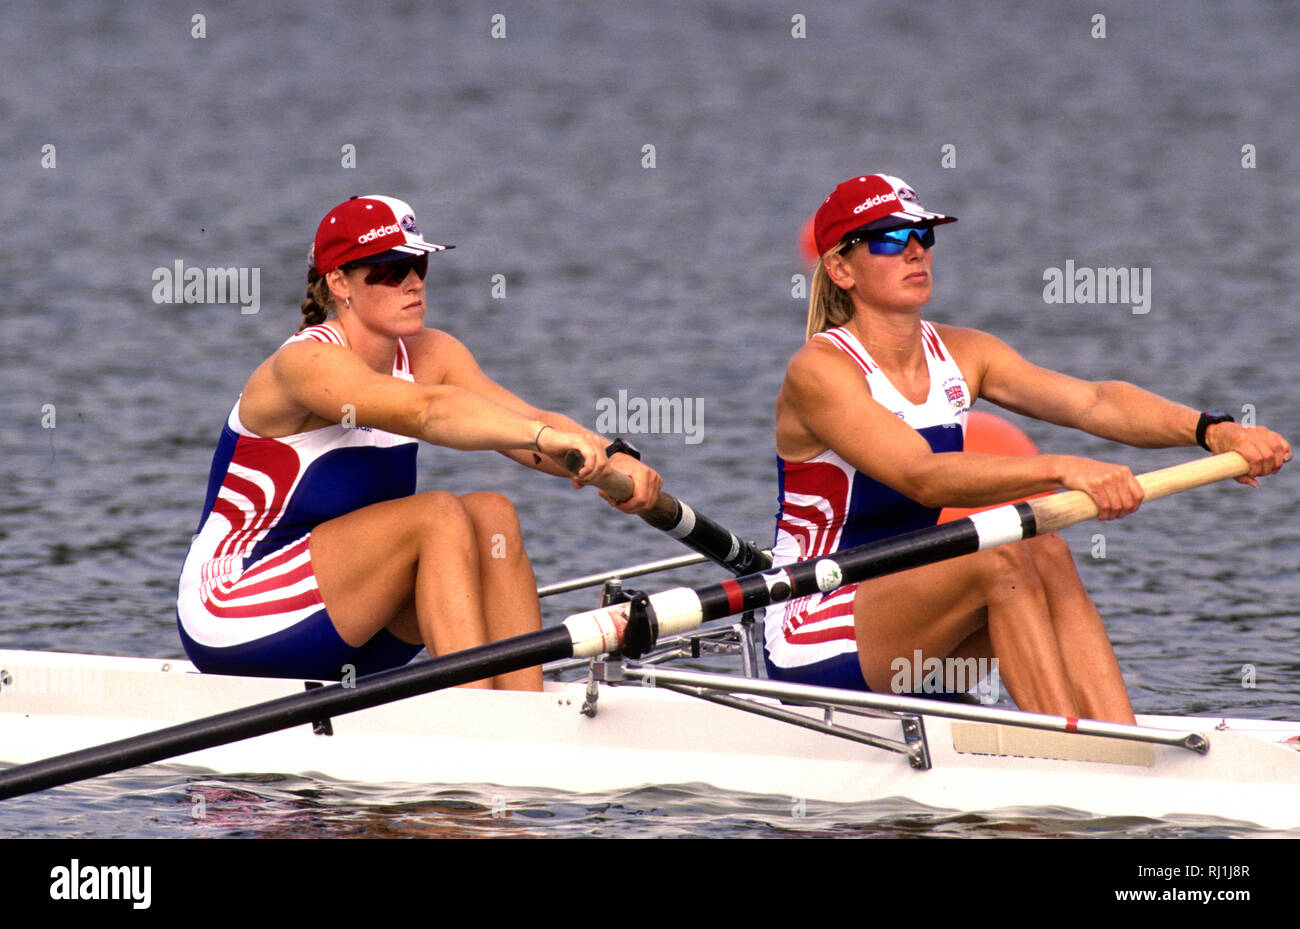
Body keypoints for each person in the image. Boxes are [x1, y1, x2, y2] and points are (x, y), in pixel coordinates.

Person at [766, 173, 1291, 723]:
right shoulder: (820, 372)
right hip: (816, 624)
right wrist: (1064, 470)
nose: (915, 251)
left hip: (911, 626)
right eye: (890, 239)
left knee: (1046, 548)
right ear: (841, 267)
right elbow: (922, 475)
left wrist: (1213, 430)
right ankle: (1067, 752)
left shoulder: (964, 352)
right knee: (999, 554)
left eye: (924, 237)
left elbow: (1093, 401)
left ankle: (1116, 736)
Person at [177, 194, 661, 690]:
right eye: (388, 270)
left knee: (493, 513)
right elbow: (429, 412)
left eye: (418, 264)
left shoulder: (433, 354)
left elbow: (529, 423)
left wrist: (615, 458)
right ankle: (480, 721)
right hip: (236, 611)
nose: (411, 282)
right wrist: (547, 437)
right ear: (339, 281)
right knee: (437, 516)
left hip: (343, 621)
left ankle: (523, 711)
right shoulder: (305, 365)